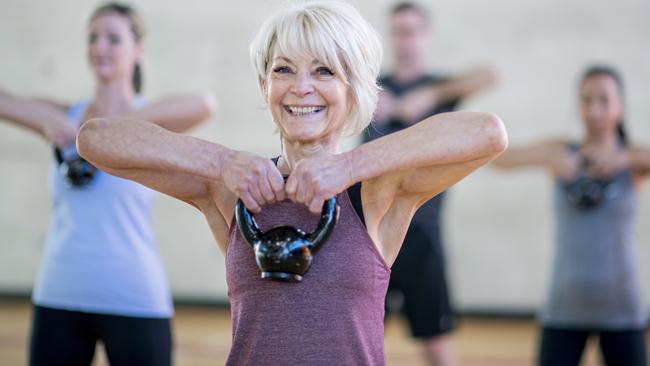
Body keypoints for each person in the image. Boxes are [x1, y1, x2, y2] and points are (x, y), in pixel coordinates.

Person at [77, 1, 507, 364]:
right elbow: (95, 138)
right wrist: (222, 160)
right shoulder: (231, 189)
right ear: (266, 86)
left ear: (353, 89)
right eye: (284, 70)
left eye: (323, 72)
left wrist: (349, 166)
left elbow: (488, 132)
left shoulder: (377, 192)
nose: (301, 88)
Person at [0, 3, 215, 366]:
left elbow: (205, 104)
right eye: (93, 38)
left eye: (114, 38)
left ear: (138, 50)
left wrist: (103, 131)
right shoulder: (64, 115)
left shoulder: (151, 122)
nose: (101, 46)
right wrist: (47, 120)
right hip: (59, 293)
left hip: (133, 297)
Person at [366, 3, 498, 365]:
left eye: (411, 31)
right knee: (357, 335)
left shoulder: (439, 89)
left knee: (436, 342)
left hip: (422, 233)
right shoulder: (371, 89)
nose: (404, 40)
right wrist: (366, 96)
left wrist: (430, 95)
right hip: (370, 234)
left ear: (425, 36)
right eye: (397, 31)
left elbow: (490, 74)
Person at [492, 66, 648, 366]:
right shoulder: (561, 150)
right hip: (564, 308)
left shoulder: (634, 160)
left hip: (622, 308)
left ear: (621, 107)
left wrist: (625, 158)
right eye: (587, 100)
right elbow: (500, 159)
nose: (594, 109)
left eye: (604, 100)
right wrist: (549, 159)